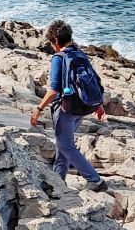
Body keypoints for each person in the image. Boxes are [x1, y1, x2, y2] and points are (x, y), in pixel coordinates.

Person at [30, 19, 107, 192]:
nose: (52, 46)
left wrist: (38, 109)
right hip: (83, 106)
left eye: (51, 42)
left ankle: (95, 180)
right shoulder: (79, 54)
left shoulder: (59, 58)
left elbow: (54, 90)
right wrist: (98, 104)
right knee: (62, 144)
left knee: (65, 146)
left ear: (56, 40)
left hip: (66, 108)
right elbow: (94, 80)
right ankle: (58, 180)